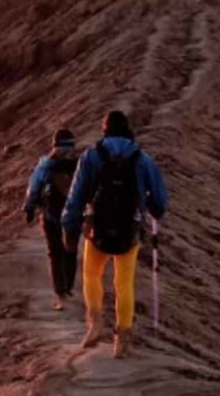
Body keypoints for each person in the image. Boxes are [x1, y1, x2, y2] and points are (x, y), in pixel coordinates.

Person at [62, 111, 169, 358]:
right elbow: (160, 203)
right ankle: (122, 338)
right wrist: (152, 209)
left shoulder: (91, 156)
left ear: (105, 130)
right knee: (123, 284)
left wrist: (70, 228)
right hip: (129, 230)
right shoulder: (142, 159)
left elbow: (76, 195)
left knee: (91, 276)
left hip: (96, 229)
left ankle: (95, 322)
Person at [23, 128, 80, 311]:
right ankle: (69, 288)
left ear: (54, 144)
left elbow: (34, 187)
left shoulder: (47, 164)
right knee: (70, 250)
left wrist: (29, 208)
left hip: (51, 215)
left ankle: (60, 293)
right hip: (74, 215)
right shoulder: (80, 164)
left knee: (55, 253)